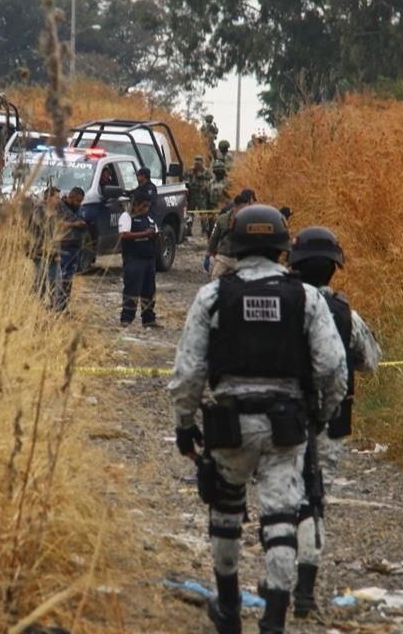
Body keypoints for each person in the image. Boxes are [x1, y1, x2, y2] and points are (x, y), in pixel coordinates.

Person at [168, 204, 347, 634]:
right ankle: (273, 622)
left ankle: (228, 610)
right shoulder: (305, 297)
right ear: (282, 247)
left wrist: (183, 425)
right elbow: (333, 369)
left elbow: (188, 371)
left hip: (229, 423)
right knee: (281, 520)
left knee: (225, 515)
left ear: (236, 243)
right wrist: (320, 417)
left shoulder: (213, 295)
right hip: (287, 425)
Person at [288, 226, 382, 619]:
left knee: (282, 499)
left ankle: (276, 578)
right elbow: (370, 360)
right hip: (331, 421)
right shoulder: (345, 312)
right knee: (314, 500)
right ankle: (305, 592)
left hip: (284, 417)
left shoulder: (282, 302)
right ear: (334, 268)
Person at [118, 189, 161, 328]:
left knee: (149, 291)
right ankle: (127, 318)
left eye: (147, 207)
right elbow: (124, 235)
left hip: (148, 259)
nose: (145, 209)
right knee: (132, 289)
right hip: (134, 259)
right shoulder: (127, 217)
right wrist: (144, 234)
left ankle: (148, 318)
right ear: (135, 205)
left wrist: (154, 236)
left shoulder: (149, 219)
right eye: (143, 206)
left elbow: (155, 233)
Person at [49, 187, 88, 312]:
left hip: (75, 247)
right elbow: (56, 223)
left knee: (68, 281)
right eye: (77, 200)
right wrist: (73, 225)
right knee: (59, 279)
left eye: (81, 201)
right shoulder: (60, 207)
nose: (79, 203)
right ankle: (55, 307)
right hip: (63, 247)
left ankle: (64, 307)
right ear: (70, 197)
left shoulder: (80, 209)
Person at [205, 188, 257, 278]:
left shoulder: (250, 219)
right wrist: (208, 254)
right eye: (252, 200)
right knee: (215, 278)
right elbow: (214, 237)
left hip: (241, 258)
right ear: (236, 207)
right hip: (224, 256)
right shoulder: (223, 218)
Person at [186, 155, 214, 232]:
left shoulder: (205, 171)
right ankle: (188, 230)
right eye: (196, 160)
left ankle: (205, 229)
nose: (197, 162)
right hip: (192, 194)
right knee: (190, 213)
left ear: (202, 162)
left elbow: (211, 177)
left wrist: (201, 176)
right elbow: (185, 178)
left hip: (201, 194)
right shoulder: (190, 170)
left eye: (199, 160)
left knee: (203, 213)